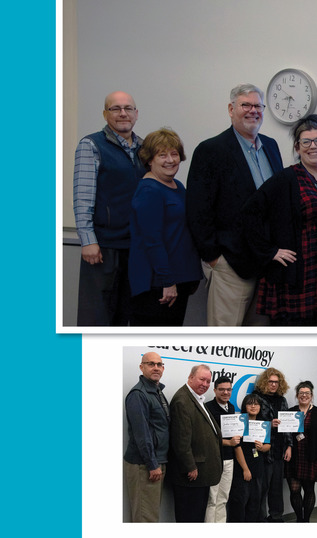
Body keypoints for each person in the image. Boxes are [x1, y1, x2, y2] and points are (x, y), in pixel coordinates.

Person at [186, 84, 284, 326]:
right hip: (231, 264)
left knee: (256, 344)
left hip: (266, 263)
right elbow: (198, 207)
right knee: (225, 341)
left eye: (258, 106)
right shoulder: (211, 150)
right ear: (231, 109)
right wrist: (213, 257)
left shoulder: (271, 146)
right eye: (245, 105)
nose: (253, 111)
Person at [241, 114, 317, 325]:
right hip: (300, 274)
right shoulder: (286, 179)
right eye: (306, 142)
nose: (313, 146)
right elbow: (250, 213)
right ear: (297, 148)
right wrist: (270, 252)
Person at [73, 91, 145, 326]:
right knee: (97, 319)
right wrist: (88, 241)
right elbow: (83, 197)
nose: (122, 113)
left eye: (128, 108)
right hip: (102, 248)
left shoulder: (145, 148)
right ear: (105, 114)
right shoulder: (91, 145)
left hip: (134, 247)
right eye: (115, 108)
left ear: (136, 114)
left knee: (126, 317)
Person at [128, 128, 202, 326]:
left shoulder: (177, 186)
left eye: (174, 153)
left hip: (178, 280)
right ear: (149, 160)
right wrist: (167, 281)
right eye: (162, 155)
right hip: (158, 285)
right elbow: (152, 241)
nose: (170, 160)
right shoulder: (149, 191)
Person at [167, 364, 222, 522]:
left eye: (208, 381)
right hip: (191, 476)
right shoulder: (182, 401)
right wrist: (190, 466)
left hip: (201, 474)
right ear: (190, 378)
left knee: (197, 516)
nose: (205, 384)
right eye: (202, 379)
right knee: (189, 518)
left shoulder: (196, 398)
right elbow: (180, 440)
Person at [123, 352, 170, 522]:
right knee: (145, 519)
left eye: (159, 364)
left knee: (150, 515)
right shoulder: (138, 394)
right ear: (141, 367)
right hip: (145, 465)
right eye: (151, 364)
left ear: (163, 368)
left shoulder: (157, 391)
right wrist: (152, 464)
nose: (156, 368)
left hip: (156, 462)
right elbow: (141, 434)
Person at [252, 368, 293, 522]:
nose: (274, 385)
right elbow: (251, 422)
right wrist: (269, 424)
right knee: (261, 489)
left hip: (280, 451)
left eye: (276, 382)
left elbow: (288, 426)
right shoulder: (255, 398)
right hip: (263, 451)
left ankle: (276, 517)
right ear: (265, 382)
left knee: (277, 489)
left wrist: (289, 446)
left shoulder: (282, 400)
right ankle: (260, 518)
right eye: (271, 381)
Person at [285, 381, 317, 522]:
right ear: (297, 395)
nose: (304, 395)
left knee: (309, 490)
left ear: (311, 395)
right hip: (293, 456)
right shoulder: (290, 412)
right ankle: (299, 519)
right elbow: (285, 434)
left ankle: (306, 521)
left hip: (312, 457)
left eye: (307, 393)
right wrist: (288, 446)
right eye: (301, 393)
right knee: (294, 490)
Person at [228, 393, 270, 522]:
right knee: (240, 502)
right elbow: (237, 447)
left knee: (255, 502)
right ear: (244, 406)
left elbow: (268, 445)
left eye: (256, 404)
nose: (253, 406)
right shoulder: (239, 422)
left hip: (258, 466)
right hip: (243, 468)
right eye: (250, 403)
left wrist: (262, 448)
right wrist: (245, 469)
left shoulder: (264, 423)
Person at [204, 376, 241, 523]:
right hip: (213, 459)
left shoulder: (231, 407)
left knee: (223, 498)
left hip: (229, 458)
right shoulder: (207, 408)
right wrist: (228, 442)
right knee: (212, 499)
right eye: (221, 389)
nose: (225, 392)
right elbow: (206, 437)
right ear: (214, 390)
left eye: (228, 389)